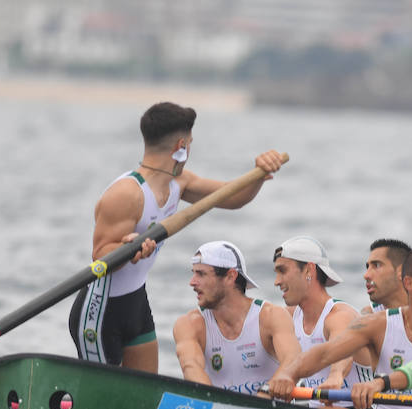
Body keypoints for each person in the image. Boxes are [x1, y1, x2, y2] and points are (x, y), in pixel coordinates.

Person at [71, 101, 288, 372]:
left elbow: (233, 197)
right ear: (180, 146)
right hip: (100, 311)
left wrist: (258, 174)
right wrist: (126, 249)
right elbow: (101, 254)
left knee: (145, 396)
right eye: (190, 144)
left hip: (136, 302)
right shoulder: (126, 193)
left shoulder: (180, 183)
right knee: (99, 399)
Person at [268, 247, 412, 409]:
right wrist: (288, 374)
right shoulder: (377, 324)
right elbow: (324, 353)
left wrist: (380, 383)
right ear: (409, 283)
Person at [173, 241, 301, 395]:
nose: (192, 282)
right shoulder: (189, 325)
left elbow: (293, 361)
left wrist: (270, 390)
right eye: (193, 273)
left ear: (230, 276)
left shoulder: (271, 317)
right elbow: (190, 366)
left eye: (201, 274)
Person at [272, 235, 358, 394]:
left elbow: (342, 350)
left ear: (308, 270)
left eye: (282, 271)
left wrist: (335, 376)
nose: (276, 281)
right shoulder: (288, 317)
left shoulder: (340, 316)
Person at [362, 238, 411, 313]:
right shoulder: (367, 316)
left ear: (402, 271)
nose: (366, 275)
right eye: (367, 267)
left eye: (377, 265)